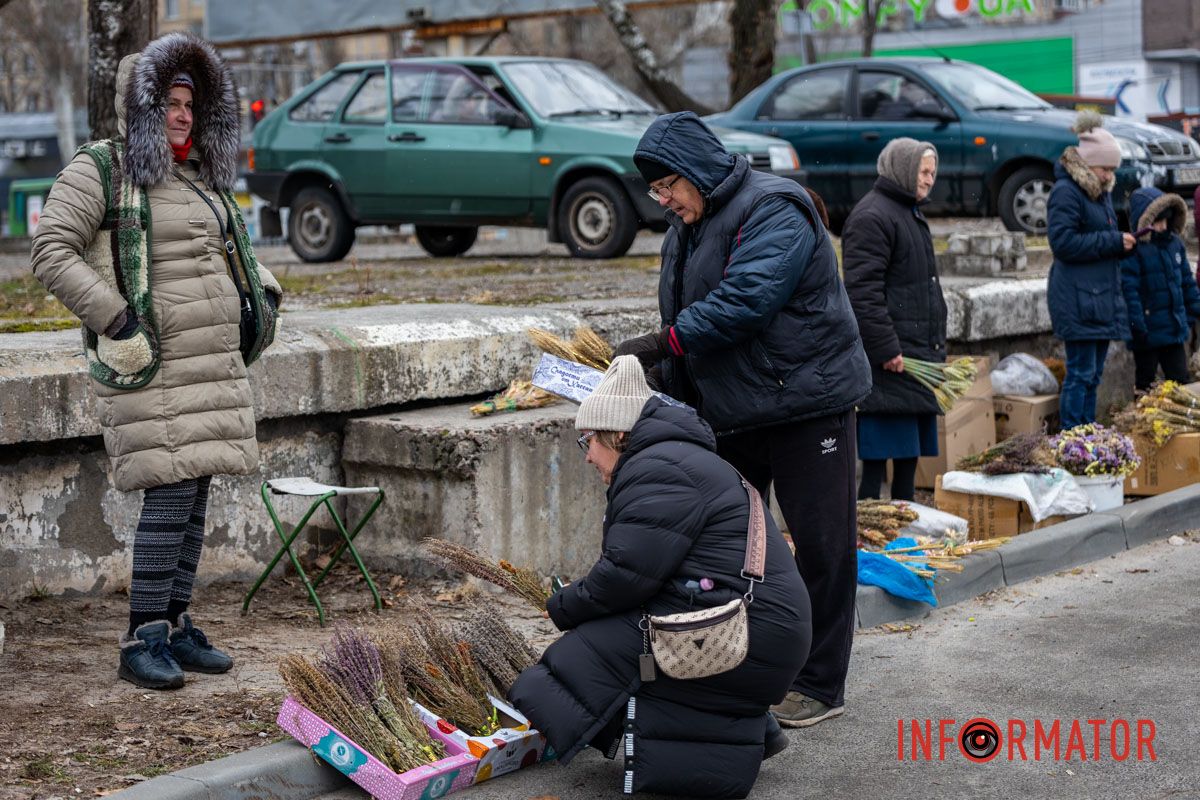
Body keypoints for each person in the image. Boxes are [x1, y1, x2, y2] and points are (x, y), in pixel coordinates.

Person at [31, 33, 282, 690]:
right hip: (155, 363)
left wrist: (265, 294)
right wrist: (118, 319)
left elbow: (224, 254)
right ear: (142, 106)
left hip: (210, 361)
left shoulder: (200, 175)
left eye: (189, 105)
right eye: (169, 103)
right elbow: (52, 249)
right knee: (170, 496)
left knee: (195, 489)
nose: (180, 115)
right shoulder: (104, 169)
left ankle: (174, 625)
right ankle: (140, 637)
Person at [613, 111, 871, 729]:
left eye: (668, 185)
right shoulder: (687, 226)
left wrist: (662, 343)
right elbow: (688, 314)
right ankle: (750, 662)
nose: (664, 201)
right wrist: (659, 384)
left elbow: (745, 301)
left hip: (808, 406)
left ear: (698, 172)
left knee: (822, 546)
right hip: (736, 412)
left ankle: (820, 682)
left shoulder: (775, 207)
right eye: (656, 191)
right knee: (732, 547)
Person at [508, 356, 811, 798]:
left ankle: (686, 758)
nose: (588, 455)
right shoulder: (675, 458)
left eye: (588, 440)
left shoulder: (660, 468)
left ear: (618, 434)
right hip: (758, 626)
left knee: (583, 654)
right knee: (623, 639)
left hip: (747, 630)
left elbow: (625, 576)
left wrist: (564, 605)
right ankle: (735, 743)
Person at [843, 138, 947, 501]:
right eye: (923, 171)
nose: (929, 180)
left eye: (933, 173)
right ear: (903, 170)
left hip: (913, 351)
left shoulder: (906, 211)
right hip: (892, 357)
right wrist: (887, 347)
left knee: (907, 454)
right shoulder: (874, 216)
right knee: (877, 458)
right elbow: (862, 292)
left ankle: (904, 523)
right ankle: (867, 527)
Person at [1047, 111, 1134, 429]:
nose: (1108, 175)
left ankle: (1088, 435)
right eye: (1104, 168)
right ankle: (1073, 437)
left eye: (1112, 169)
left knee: (1093, 375)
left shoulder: (1099, 194)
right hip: (1078, 300)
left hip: (1097, 299)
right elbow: (1063, 242)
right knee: (1080, 374)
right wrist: (1113, 241)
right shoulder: (1066, 192)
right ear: (1086, 164)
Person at [1120, 187, 1200, 390]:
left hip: (1174, 329)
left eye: (1165, 222)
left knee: (1181, 380)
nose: (1162, 227)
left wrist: (1192, 313)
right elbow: (1130, 292)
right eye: (1157, 223)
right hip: (1147, 333)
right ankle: (1142, 420)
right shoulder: (1135, 251)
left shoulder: (1175, 244)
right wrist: (1137, 327)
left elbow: (1186, 283)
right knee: (1146, 383)